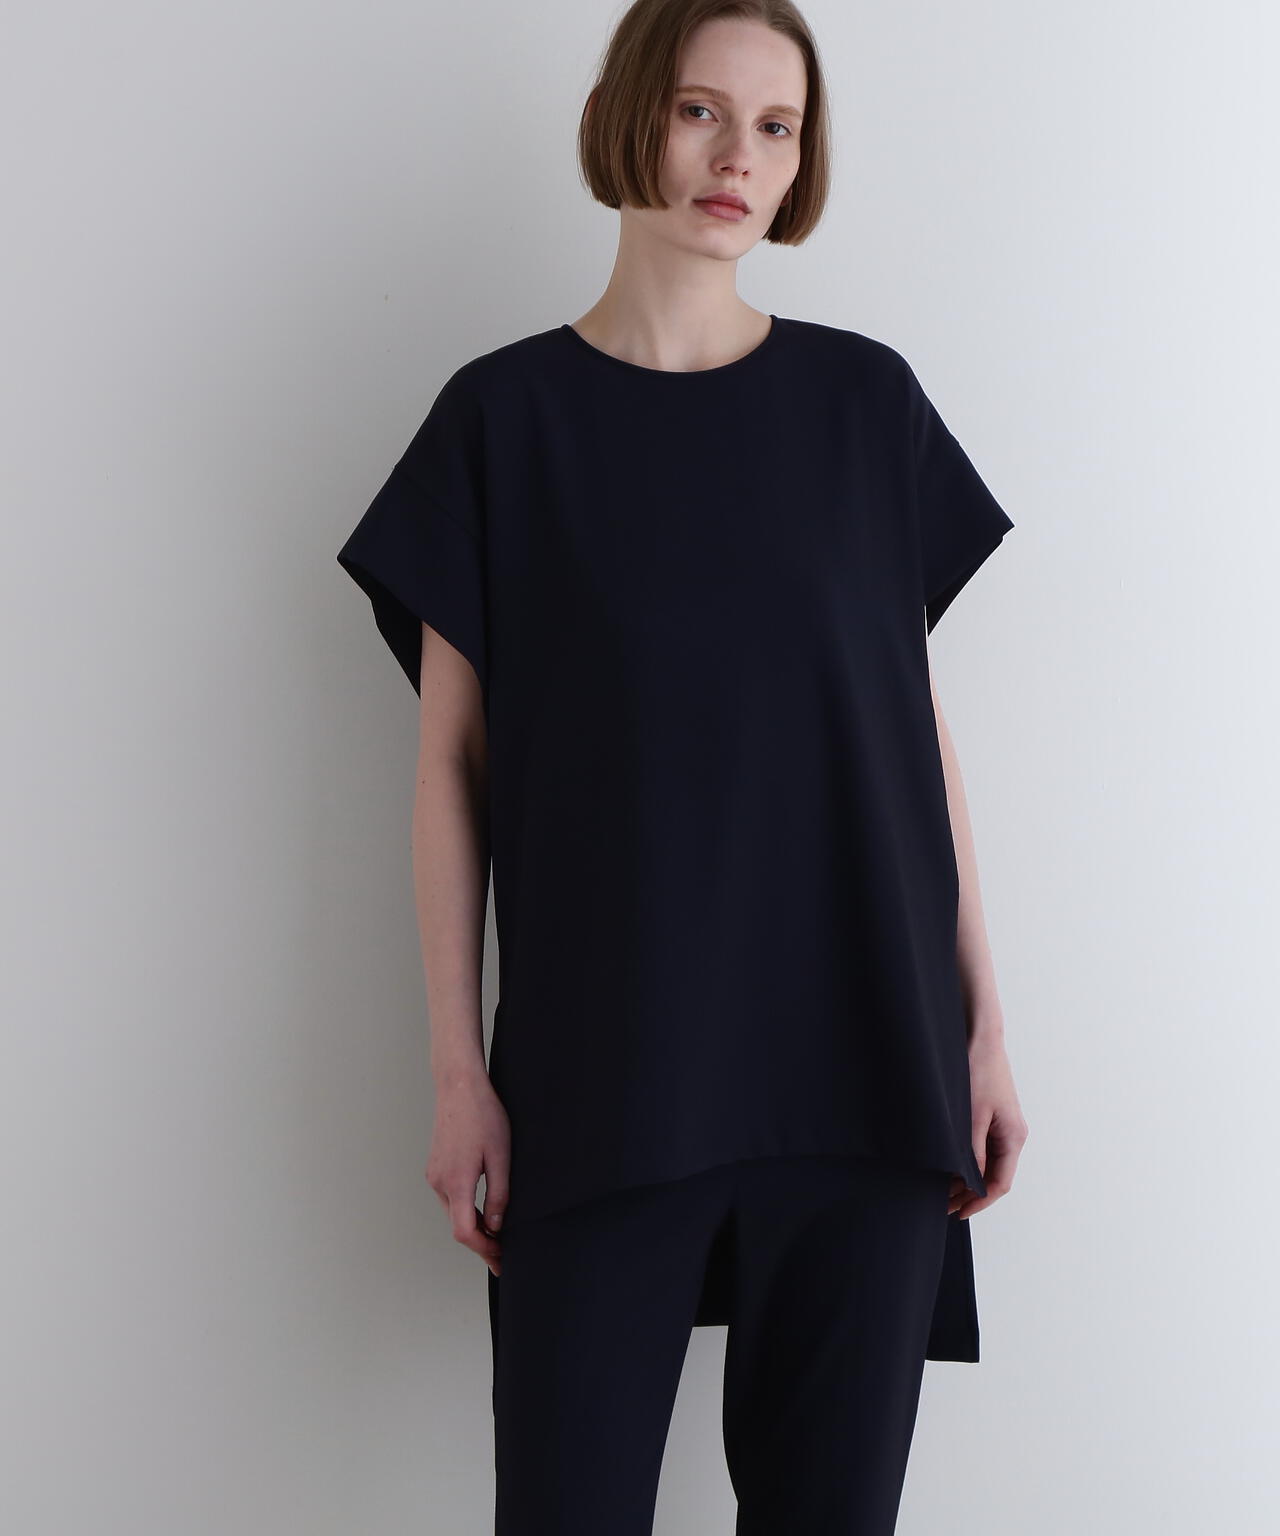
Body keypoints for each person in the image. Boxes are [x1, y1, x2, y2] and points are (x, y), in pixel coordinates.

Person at [337, 0, 1029, 1530]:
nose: (738, 159)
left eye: (777, 127)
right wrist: (458, 1071)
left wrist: (983, 1028)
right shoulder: (504, 424)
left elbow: (913, 735)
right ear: (632, 113)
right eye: (703, 110)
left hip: (868, 1066)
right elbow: (450, 769)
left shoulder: (867, 407)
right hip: (608, 1075)